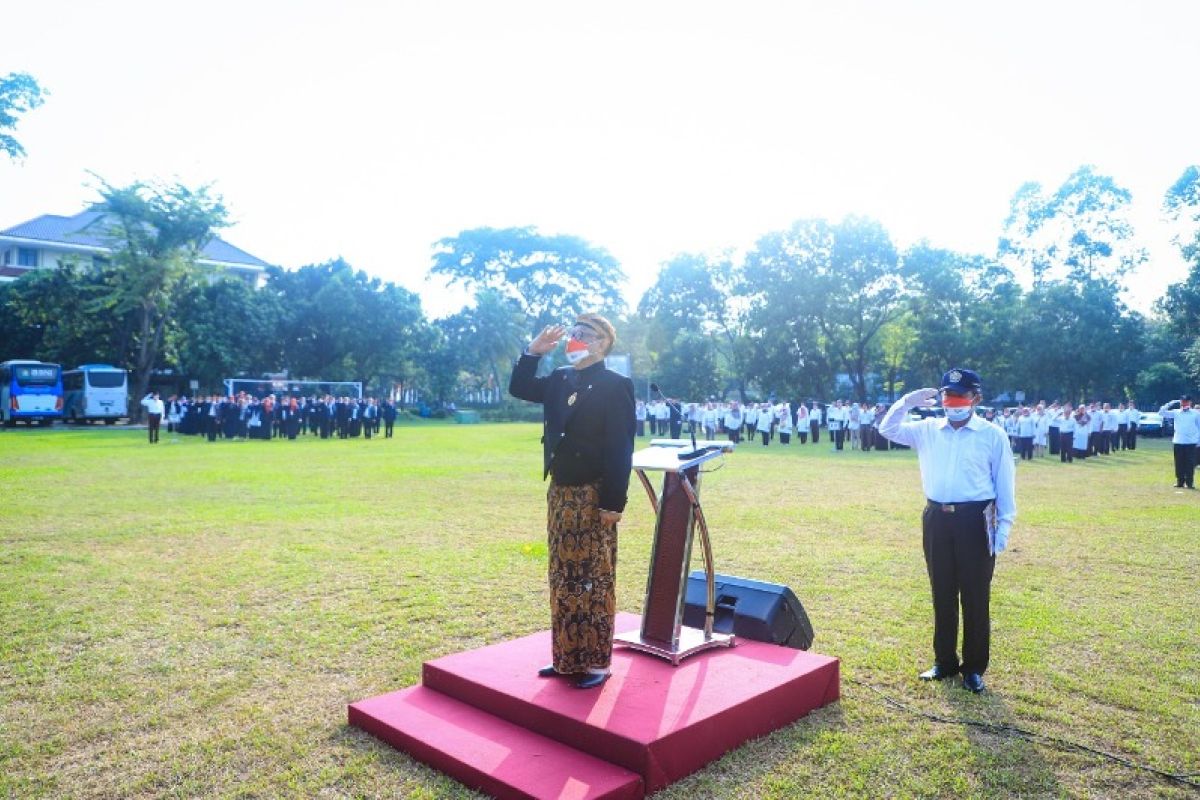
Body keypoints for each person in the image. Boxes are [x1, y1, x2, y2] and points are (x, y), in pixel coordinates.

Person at [509, 314, 635, 690]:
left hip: (594, 493)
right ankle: (566, 657)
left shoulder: (615, 385)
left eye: (585, 334)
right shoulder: (562, 377)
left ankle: (596, 663)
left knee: (593, 578)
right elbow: (520, 387)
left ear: (602, 344)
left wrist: (614, 502)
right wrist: (532, 352)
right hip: (561, 492)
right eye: (574, 332)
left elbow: (620, 448)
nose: (575, 338)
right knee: (563, 577)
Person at [878, 368, 1016, 694]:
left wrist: (1004, 528)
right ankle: (944, 661)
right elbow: (887, 428)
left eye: (959, 398)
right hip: (936, 517)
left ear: (975, 399)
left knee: (975, 596)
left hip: (975, 519)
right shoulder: (927, 429)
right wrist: (906, 402)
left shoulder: (992, 434)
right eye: (947, 397)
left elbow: (1005, 483)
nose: (952, 403)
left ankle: (973, 668)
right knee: (941, 591)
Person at [1171, 395, 1199, 489]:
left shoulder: (1195, 413)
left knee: (1190, 463)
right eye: (1182, 401)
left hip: (1190, 442)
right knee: (1179, 463)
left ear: (1190, 402)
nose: (1184, 403)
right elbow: (1161, 412)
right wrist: (1171, 403)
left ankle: (1189, 483)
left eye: (1186, 402)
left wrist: (1198, 441)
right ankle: (1180, 482)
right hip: (1178, 441)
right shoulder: (1176, 412)